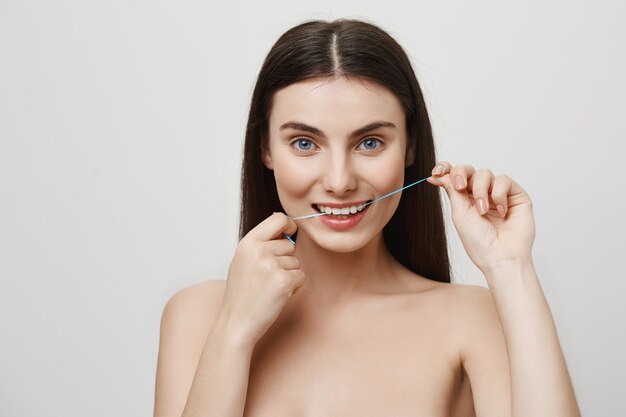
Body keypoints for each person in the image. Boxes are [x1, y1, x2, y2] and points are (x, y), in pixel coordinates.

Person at [154, 19, 581, 417]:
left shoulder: (471, 321)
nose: (339, 182)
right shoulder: (198, 315)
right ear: (266, 149)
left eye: (370, 143)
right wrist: (234, 332)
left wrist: (511, 268)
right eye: (304, 143)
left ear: (410, 147)